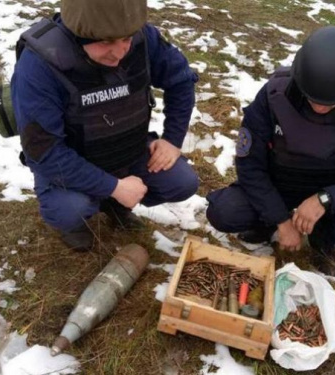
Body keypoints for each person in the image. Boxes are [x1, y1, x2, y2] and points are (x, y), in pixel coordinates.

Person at [206, 26, 335, 275]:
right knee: (224, 211)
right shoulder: (274, 95)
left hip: (332, 198)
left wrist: (327, 199)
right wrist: (280, 219)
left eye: (330, 102)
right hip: (279, 186)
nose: (319, 107)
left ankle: (323, 236)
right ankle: (266, 224)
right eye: (313, 98)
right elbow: (250, 165)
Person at [11, 0, 199, 251]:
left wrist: (173, 140)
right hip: (71, 163)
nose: (119, 52)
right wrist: (114, 187)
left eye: (126, 39)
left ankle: (114, 204)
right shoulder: (41, 64)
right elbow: (44, 152)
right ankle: (80, 219)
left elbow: (182, 81)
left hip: (127, 149)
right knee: (69, 210)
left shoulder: (143, 38)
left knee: (182, 182)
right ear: (80, 36)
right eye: (106, 42)